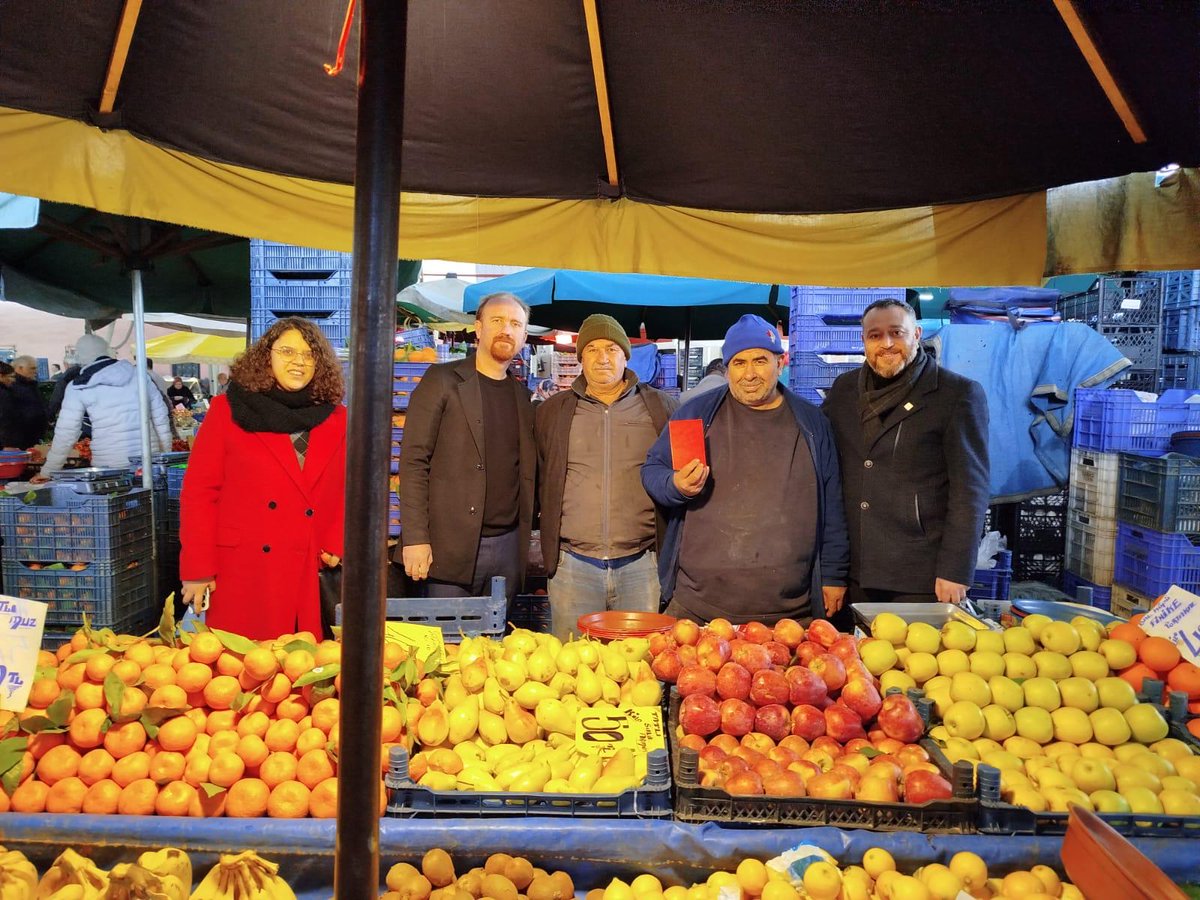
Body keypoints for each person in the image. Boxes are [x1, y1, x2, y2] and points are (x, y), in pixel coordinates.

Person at [642, 315, 849, 625]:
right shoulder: (698, 414)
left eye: (760, 360)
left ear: (781, 362)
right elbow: (652, 470)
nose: (749, 373)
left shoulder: (812, 424)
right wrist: (676, 485)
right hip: (698, 607)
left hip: (791, 612)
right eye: (739, 363)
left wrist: (834, 573)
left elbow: (832, 504)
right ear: (727, 369)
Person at [179, 317, 346, 639]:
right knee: (238, 675)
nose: (299, 361)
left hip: (309, 569)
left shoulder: (338, 419)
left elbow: (354, 491)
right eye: (287, 351)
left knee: (302, 674)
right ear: (265, 356)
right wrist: (197, 570)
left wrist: (337, 540)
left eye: (310, 354)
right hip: (243, 569)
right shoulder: (227, 411)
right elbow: (199, 493)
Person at [823, 298, 989, 607]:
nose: (886, 344)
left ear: (917, 335)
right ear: (864, 341)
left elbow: (970, 490)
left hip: (920, 573)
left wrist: (956, 569)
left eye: (896, 333)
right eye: (875, 336)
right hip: (854, 570)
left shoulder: (956, 394)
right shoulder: (844, 391)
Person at [535, 314, 680, 639]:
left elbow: (679, 478)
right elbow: (540, 473)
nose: (603, 358)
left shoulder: (661, 407)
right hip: (573, 566)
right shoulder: (552, 412)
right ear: (580, 358)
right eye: (593, 349)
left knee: (640, 673)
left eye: (612, 348)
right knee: (572, 673)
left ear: (626, 355)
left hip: (642, 566)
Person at [396, 291, 535, 600]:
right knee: (446, 644)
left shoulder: (523, 399)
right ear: (478, 327)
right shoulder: (442, 380)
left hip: (507, 548)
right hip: (447, 547)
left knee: (498, 647)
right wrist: (416, 538)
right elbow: (414, 460)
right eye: (497, 320)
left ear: (524, 336)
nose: (506, 329)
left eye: (515, 323)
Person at [39, 334, 172, 475]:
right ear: (105, 350)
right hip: (147, 459)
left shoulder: (78, 386)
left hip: (108, 463)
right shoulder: (139, 375)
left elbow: (66, 433)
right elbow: (161, 417)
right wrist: (165, 454)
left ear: (80, 356)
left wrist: (48, 471)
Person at [0, 355, 48, 449]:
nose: (35, 371)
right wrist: (9, 443)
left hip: (29, 437)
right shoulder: (10, 387)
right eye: (32, 368)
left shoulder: (30, 385)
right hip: (17, 440)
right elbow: (6, 418)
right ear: (20, 368)